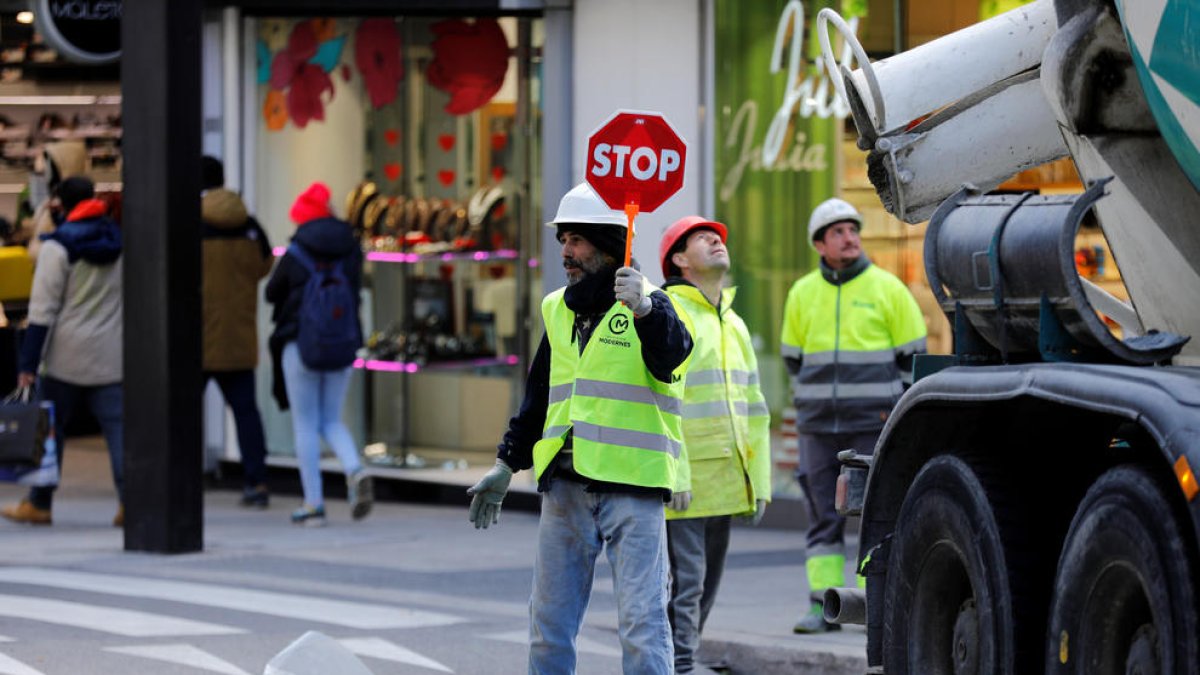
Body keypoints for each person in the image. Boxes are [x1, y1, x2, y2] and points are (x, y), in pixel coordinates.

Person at [467, 182, 694, 674]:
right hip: (565, 490)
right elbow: (538, 397)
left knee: (643, 627)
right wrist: (507, 463)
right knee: (548, 627)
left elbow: (674, 354)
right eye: (563, 239)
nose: (566, 252)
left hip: (632, 488)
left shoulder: (650, 303)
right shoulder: (557, 308)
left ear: (610, 245)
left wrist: (647, 311)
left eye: (577, 239)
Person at [781, 197, 927, 633]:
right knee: (823, 518)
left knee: (878, 517)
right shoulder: (802, 293)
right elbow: (793, 359)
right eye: (839, 232)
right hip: (818, 428)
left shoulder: (888, 289)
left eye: (853, 230)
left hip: (874, 425)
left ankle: (881, 609)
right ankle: (821, 606)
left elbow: (913, 362)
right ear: (820, 244)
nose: (850, 238)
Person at [659, 216, 772, 674]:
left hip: (725, 480)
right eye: (702, 238)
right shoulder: (671, 312)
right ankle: (680, 667)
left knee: (705, 587)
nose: (717, 241)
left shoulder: (735, 324)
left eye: (720, 237)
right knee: (689, 585)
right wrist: (677, 473)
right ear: (680, 260)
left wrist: (758, 482)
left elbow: (756, 408)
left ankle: (665, 661)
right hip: (688, 482)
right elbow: (662, 400)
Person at [1, 176, 125, 526]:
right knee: (118, 430)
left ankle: (39, 503)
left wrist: (27, 363)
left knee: (50, 431)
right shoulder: (118, 241)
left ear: (59, 205)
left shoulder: (56, 248)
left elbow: (42, 312)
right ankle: (130, 502)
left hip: (65, 358)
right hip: (110, 355)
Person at [265, 181, 372, 526]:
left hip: (301, 345)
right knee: (332, 419)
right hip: (342, 344)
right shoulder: (351, 248)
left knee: (306, 424)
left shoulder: (296, 253)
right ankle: (354, 468)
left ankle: (314, 502)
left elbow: (271, 292)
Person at [200, 156, 275, 508]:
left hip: (198, 338)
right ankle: (257, 483)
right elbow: (265, 264)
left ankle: (180, 476)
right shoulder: (249, 224)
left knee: (182, 414)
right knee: (246, 412)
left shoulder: (193, 223)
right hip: (239, 337)